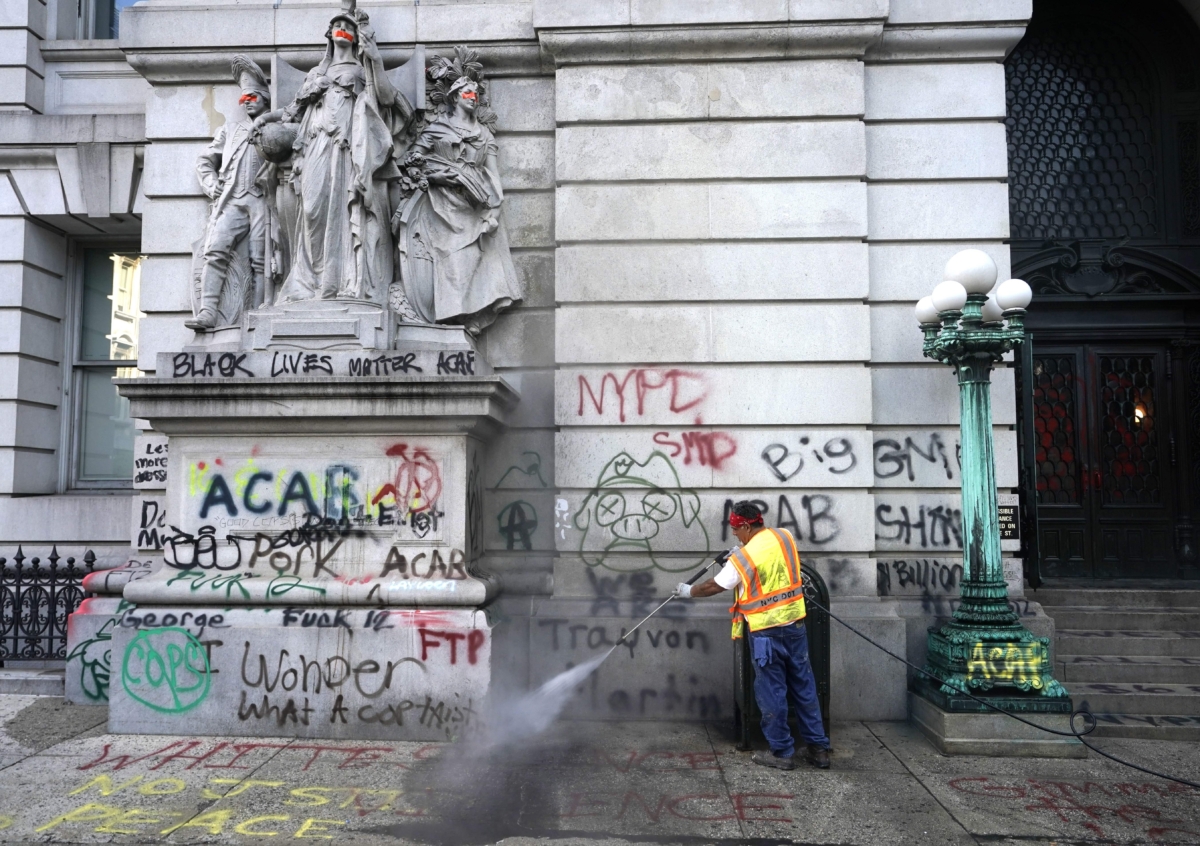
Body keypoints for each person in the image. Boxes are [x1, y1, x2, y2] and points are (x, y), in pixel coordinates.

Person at [254, 6, 415, 305]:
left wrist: (375, 57)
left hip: (345, 151)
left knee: (342, 212)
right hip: (315, 146)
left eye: (348, 26)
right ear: (329, 34)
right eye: (337, 25)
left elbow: (387, 98)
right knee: (312, 210)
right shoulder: (317, 73)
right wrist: (266, 119)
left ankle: (340, 282)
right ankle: (309, 282)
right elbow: (293, 112)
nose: (342, 27)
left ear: (354, 37)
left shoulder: (360, 70)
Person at [674, 501, 831, 770]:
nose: (734, 534)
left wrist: (689, 592)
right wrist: (743, 551)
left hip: (766, 634)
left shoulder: (742, 559)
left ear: (746, 525)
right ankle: (819, 749)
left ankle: (782, 753)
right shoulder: (784, 536)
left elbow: (716, 585)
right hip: (795, 625)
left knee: (772, 692)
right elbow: (771, 561)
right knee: (804, 687)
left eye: (736, 529)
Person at [189, 56, 271, 331]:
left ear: (264, 98)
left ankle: (260, 312)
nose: (246, 101)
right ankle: (208, 312)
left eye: (251, 96)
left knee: (261, 260)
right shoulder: (231, 130)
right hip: (232, 200)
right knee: (215, 251)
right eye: (243, 98)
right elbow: (204, 160)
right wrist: (213, 186)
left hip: (261, 201)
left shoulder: (274, 130)